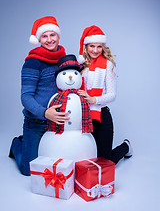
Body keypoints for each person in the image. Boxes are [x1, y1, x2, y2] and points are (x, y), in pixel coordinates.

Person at [9, 16, 69, 176]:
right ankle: (17, 144)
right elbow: (26, 97)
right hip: (36, 122)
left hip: (58, 121)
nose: (49, 40)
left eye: (52, 35)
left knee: (62, 164)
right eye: (45, 36)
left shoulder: (64, 60)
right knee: (29, 170)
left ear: (58, 36)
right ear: (39, 39)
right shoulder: (32, 63)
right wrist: (44, 112)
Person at [77, 25, 133, 165]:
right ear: (86, 46)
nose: (95, 50)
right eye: (91, 46)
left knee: (105, 161)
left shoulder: (107, 65)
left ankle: (126, 147)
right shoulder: (81, 66)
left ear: (103, 47)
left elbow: (112, 95)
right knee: (86, 157)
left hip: (101, 116)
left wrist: (92, 99)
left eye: (99, 46)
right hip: (84, 115)